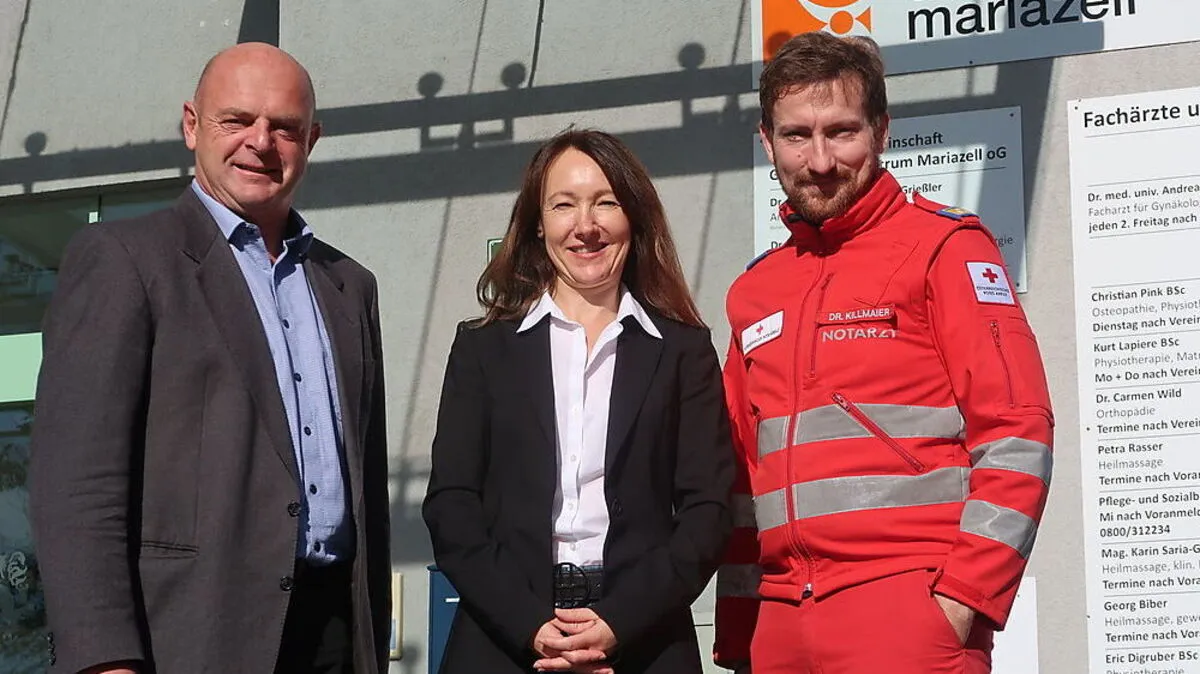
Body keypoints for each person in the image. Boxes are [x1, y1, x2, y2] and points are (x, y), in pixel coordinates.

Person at [28, 43, 391, 674]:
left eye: (285, 127)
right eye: (237, 120)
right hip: (191, 633)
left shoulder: (348, 285)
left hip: (335, 631)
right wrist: (103, 657)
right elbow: (77, 483)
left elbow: (367, 485)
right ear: (192, 125)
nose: (260, 142)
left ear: (312, 141)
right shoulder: (124, 260)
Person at [713, 33, 1054, 674]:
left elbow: (1018, 433)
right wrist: (739, 635)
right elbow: (740, 477)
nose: (819, 160)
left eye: (841, 132)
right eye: (796, 135)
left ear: (881, 130)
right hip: (777, 624)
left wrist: (962, 600)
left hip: (907, 611)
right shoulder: (754, 291)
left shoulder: (946, 248)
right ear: (767, 141)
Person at [423, 129, 735, 674]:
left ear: (633, 217)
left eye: (606, 203)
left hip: (645, 638)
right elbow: (452, 504)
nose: (585, 226)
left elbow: (708, 511)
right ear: (538, 223)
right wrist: (530, 626)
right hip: (504, 637)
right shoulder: (483, 348)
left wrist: (618, 622)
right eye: (563, 205)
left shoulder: (683, 351)